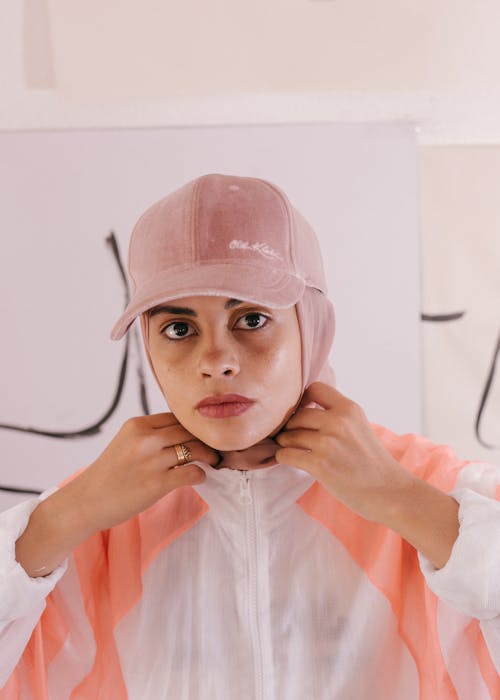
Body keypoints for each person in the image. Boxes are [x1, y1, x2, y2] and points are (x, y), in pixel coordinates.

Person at [1, 173, 499, 699]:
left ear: (314, 325)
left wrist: (401, 500)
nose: (216, 362)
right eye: (178, 328)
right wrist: (65, 516)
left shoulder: (440, 490)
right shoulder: (89, 515)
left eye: (252, 318)